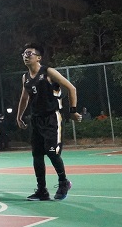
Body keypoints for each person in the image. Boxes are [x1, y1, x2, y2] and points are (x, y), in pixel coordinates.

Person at [15, 43, 82, 201]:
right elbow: (24, 98)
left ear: (38, 57)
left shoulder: (48, 72)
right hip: (36, 119)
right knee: (37, 155)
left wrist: (73, 111)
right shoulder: (25, 77)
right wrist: (19, 116)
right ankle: (42, 190)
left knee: (52, 152)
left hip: (52, 117)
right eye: (24, 54)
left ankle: (64, 182)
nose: (26, 56)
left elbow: (71, 88)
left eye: (29, 53)